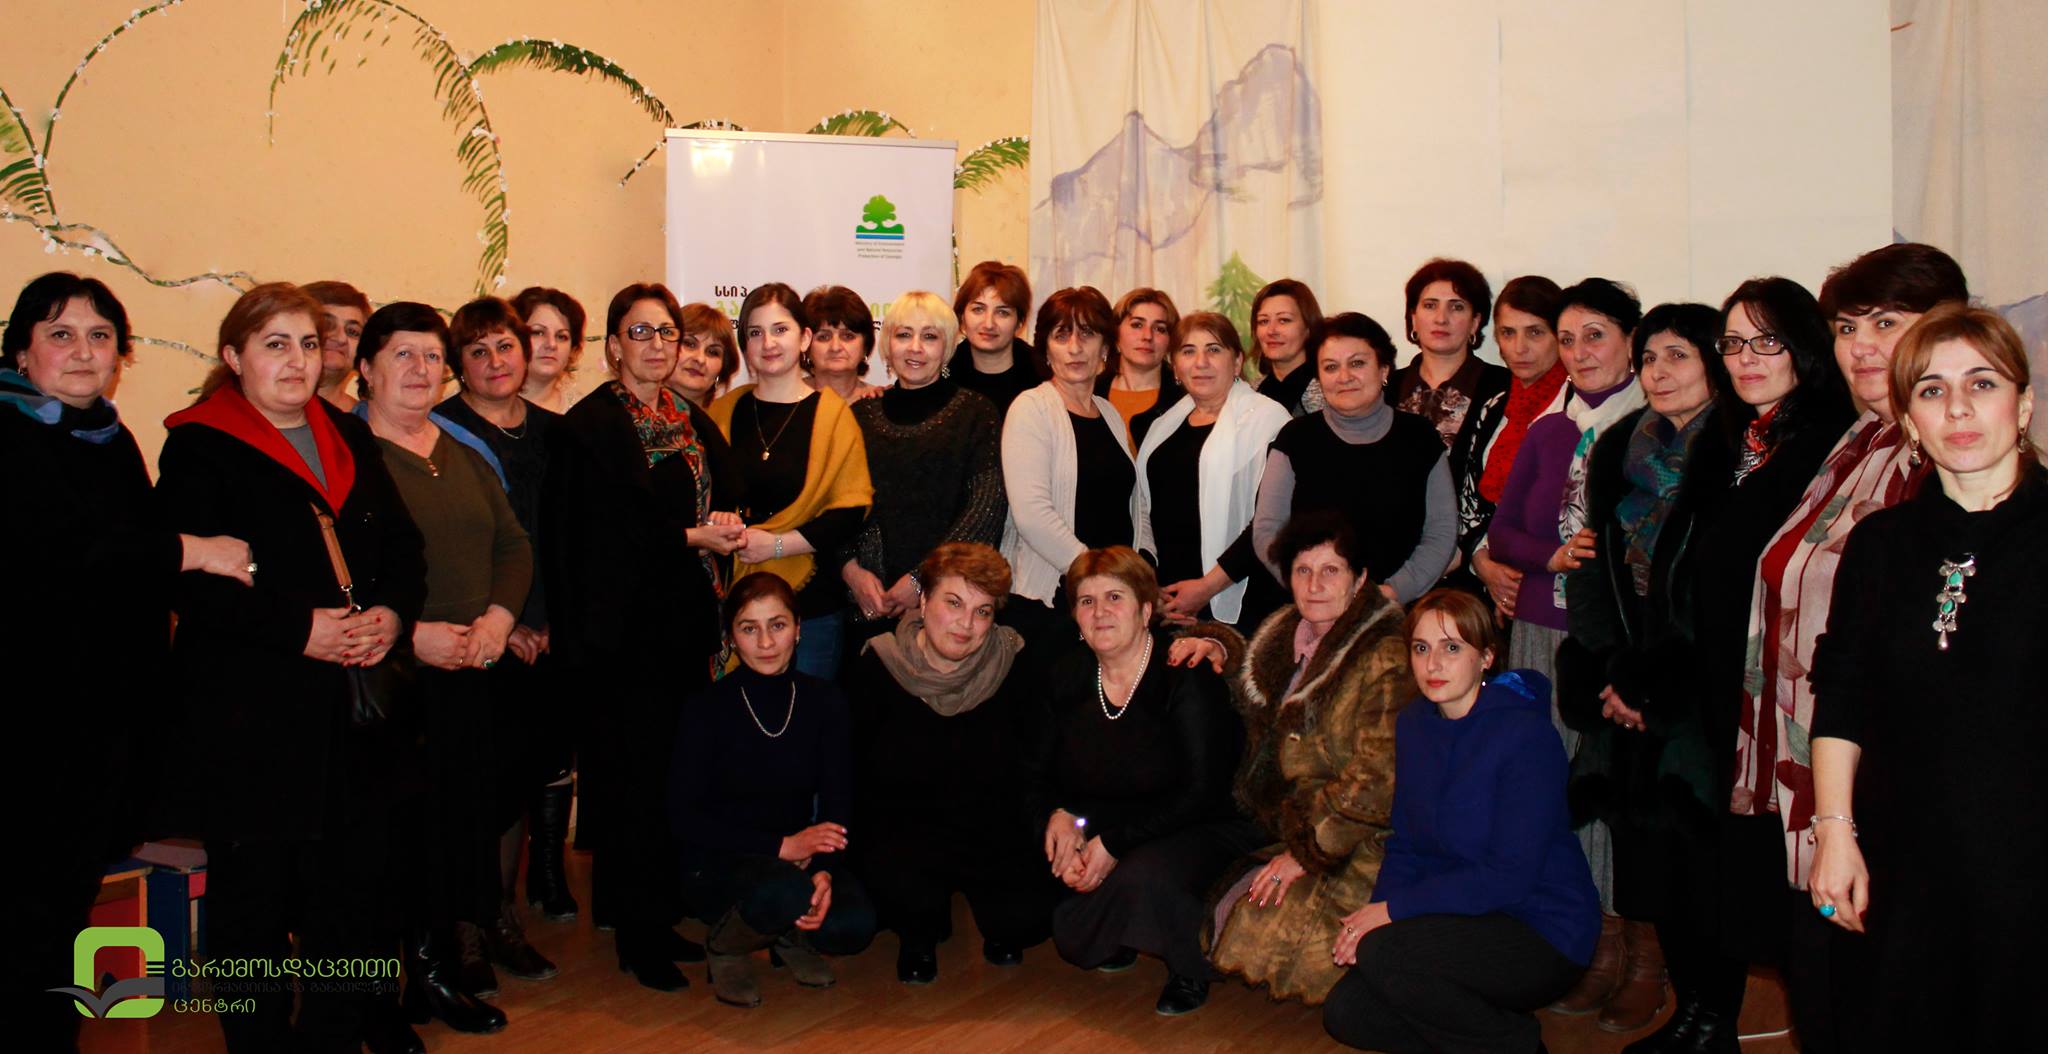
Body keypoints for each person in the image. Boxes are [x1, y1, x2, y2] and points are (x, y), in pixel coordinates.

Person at [156, 282, 429, 1051]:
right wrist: (297, 629)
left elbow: (404, 548)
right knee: (253, 906)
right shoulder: (200, 445)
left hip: (351, 714)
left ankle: (332, 1035)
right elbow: (188, 583)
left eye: (309, 344)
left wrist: (393, 615)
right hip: (251, 718)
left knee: (349, 897)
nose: (297, 361)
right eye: (275, 344)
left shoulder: (346, 435)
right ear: (233, 355)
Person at [1727, 243, 1967, 1052]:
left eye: (1887, 323)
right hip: (1815, 770)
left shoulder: (1941, 457)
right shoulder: (1861, 439)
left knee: (1875, 999)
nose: (1861, 345)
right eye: (1846, 326)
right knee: (1825, 988)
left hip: (1883, 788)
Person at [4, 273, 252, 1054]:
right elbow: (68, 551)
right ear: (21, 352)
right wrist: (194, 549)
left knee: (61, 907)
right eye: (61, 334)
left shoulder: (108, 438)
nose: (83, 351)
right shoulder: (11, 434)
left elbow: (136, 565)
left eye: (100, 336)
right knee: (25, 912)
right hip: (27, 723)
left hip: (98, 719)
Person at [1808, 305, 2041, 1053]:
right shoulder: (1879, 544)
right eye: (1932, 390)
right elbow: (1841, 694)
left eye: (1983, 383)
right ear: (1910, 420)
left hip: (2027, 871)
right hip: (1899, 864)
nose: (1958, 408)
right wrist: (1834, 834)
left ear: (2023, 406)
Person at [542, 281, 746, 991]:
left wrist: (725, 520)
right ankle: (635, 935)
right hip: (623, 640)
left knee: (669, 779)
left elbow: (722, 490)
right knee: (629, 785)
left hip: (685, 627)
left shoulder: (687, 417)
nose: (657, 346)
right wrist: (691, 536)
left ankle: (656, 913)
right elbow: (597, 539)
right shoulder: (592, 426)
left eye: (667, 333)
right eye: (640, 333)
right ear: (612, 347)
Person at [354, 301, 534, 1034]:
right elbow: (345, 574)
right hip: (392, 678)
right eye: (403, 354)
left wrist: (497, 620)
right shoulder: (350, 456)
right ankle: (379, 995)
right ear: (365, 369)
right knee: (390, 843)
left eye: (432, 356)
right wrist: (412, 635)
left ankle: (432, 974)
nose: (421, 369)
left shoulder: (459, 448)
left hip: (471, 671)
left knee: (452, 830)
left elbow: (512, 544)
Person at [1557, 303, 1732, 1046]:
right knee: (1649, 864)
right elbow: (1592, 564)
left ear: (1715, 364)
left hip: (1698, 697)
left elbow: (1721, 594)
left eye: (1679, 356)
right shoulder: (1622, 444)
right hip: (1624, 686)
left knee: (1705, 871)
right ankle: (1688, 1014)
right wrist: (1611, 673)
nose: (1659, 372)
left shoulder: (1739, 452)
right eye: (1652, 357)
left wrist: (1652, 686)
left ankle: (1712, 1019)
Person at [1322, 590, 1599, 1054]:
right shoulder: (1415, 724)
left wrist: (1392, 915)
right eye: (1421, 647)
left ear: (1485, 657)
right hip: (1461, 912)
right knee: (1348, 1012)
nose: (1433, 664)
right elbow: (1406, 845)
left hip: (1541, 926)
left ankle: (1517, 1046)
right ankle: (1480, 1027)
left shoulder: (1525, 736)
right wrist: (1374, 916)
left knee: (1387, 956)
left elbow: (1509, 876)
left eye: (1452, 648)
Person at [1482, 277, 1640, 1017]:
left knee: (1607, 785)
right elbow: (1503, 532)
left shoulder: (1652, 428)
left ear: (1631, 341)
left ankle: (1623, 938)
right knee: (1545, 780)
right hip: (1542, 629)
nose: (1579, 353)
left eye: (1595, 336)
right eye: (1569, 339)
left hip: (1613, 638)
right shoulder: (1549, 429)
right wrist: (1550, 555)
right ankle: (1568, 931)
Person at [1173, 513, 1408, 1006]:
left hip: (1355, 835)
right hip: (1281, 816)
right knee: (1195, 897)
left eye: (1331, 570)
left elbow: (1377, 782)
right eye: (1303, 570)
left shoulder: (1385, 655)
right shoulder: (1286, 630)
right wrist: (1215, 644)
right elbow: (1254, 686)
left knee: (1266, 929)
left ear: (1360, 579)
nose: (1315, 585)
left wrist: (1305, 852)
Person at [1026, 548, 1255, 1016]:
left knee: (1143, 874)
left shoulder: (1184, 675)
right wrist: (1059, 817)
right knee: (1042, 874)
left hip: (1203, 822)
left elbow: (1202, 792)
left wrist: (1112, 843)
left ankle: (1189, 966)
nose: (1100, 612)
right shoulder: (1066, 675)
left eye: (1115, 597)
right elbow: (1035, 771)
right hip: (1115, 818)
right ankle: (1122, 925)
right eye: (1086, 601)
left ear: (1146, 610)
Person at [843, 542, 1055, 983]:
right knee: (902, 899)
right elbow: (857, 775)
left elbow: (1037, 764)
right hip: (905, 826)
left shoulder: (1014, 663)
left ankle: (990, 915)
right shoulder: (878, 665)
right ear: (923, 601)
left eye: (982, 611)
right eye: (953, 603)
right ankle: (919, 927)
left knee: (1027, 920)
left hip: (988, 827)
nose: (966, 624)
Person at [670, 572, 878, 1008]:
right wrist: (781, 847)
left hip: (796, 853)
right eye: (749, 628)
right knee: (783, 892)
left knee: (852, 926)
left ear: (798, 629)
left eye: (777, 625)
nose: (765, 642)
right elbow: (684, 818)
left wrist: (824, 868)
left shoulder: (826, 700)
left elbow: (839, 798)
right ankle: (726, 946)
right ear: (731, 637)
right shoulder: (705, 708)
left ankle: (783, 932)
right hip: (719, 859)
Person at [436, 297, 569, 981]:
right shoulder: (440, 433)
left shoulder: (557, 433)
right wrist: (505, 620)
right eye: (478, 350)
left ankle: (501, 917)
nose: (495, 362)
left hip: (548, 637)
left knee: (520, 782)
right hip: (477, 635)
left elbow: (572, 536)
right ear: (458, 364)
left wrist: (553, 621)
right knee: (472, 792)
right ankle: (463, 928)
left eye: (505, 346)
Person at [709, 282, 874, 679]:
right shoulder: (723, 412)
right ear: (744, 345)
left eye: (780, 330)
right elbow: (705, 496)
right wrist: (720, 522)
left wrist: (777, 545)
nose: (768, 343)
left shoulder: (834, 416)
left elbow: (851, 510)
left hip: (811, 608)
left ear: (803, 339)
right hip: (735, 601)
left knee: (808, 714)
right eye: (755, 332)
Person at [1251, 312, 1455, 605]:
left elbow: (1441, 532)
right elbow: (1267, 530)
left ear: (1384, 369)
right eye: (1330, 367)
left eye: (1357, 363)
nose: (1344, 377)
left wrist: (1389, 594)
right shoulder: (1295, 438)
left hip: (1397, 608)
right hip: (1311, 606)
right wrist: (1313, 587)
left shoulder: (1420, 437)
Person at [839, 291, 1005, 636]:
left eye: (929, 337)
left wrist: (922, 579)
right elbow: (835, 505)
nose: (915, 348)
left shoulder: (977, 414)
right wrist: (850, 571)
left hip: (950, 609)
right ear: (887, 345)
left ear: (947, 348)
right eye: (904, 335)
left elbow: (985, 510)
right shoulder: (860, 415)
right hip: (867, 606)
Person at [1134, 311, 1291, 630]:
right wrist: (1152, 586)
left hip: (1244, 599)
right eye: (1188, 351)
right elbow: (1144, 511)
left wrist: (1207, 587)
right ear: (1175, 366)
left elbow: (1270, 521)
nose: (1201, 362)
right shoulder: (1162, 427)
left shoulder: (1268, 421)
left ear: (1237, 362)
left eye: (1214, 349)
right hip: (1169, 602)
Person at [999, 287, 1136, 644]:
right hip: (1053, 601)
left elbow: (1134, 504)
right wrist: (1097, 576)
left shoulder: (1110, 414)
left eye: (1087, 334)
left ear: (1105, 346)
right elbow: (1032, 515)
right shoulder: (1031, 408)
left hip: (1115, 598)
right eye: (1061, 335)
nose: (1075, 347)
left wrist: (1138, 573)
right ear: (1046, 349)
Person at [1448, 276, 1569, 610]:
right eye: (1508, 333)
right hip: (1487, 578)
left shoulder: (1576, 406)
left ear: (1560, 336)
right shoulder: (1493, 404)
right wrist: (1482, 562)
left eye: (1535, 332)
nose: (1519, 348)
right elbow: (1466, 492)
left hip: (1555, 578)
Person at [1389, 258, 1512, 448]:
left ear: (1475, 322)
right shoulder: (1385, 388)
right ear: (1413, 318)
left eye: (1457, 307)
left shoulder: (1504, 388)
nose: (1441, 319)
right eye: (1430, 305)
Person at [950, 260, 1040, 415]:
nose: (989, 324)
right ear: (962, 316)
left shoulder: (1043, 376)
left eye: (1002, 312)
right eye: (978, 309)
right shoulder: (943, 375)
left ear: (1019, 322)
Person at [1097, 287, 1184, 445]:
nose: (1147, 336)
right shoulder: (1091, 392)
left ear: (1171, 341)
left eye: (1160, 329)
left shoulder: (1185, 399)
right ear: (1116, 333)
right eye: (1137, 325)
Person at [1251, 278, 1325, 416]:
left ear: (1308, 327)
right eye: (1263, 321)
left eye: (1284, 320)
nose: (1271, 331)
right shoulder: (1250, 393)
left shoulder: (1329, 392)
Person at [511, 286, 586, 414]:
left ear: (573, 349)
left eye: (561, 336)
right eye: (538, 332)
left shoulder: (583, 413)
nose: (551, 344)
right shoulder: (487, 407)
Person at [803, 284, 883, 403]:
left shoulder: (883, 403)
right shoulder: (786, 402)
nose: (835, 347)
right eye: (823, 337)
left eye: (847, 336)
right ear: (805, 344)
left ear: (865, 345)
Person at [306, 279, 370, 412]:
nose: (340, 338)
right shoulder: (264, 410)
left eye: (352, 331)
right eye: (326, 325)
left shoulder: (366, 419)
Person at [668, 301, 738, 407]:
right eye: (689, 344)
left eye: (712, 352)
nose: (700, 359)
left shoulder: (732, 417)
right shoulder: (640, 414)